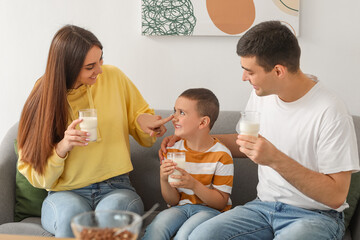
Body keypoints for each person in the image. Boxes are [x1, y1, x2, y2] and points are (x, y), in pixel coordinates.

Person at [161, 21, 360, 240]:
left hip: (316, 215)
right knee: (201, 236)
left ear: (278, 71)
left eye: (250, 72)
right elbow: (245, 142)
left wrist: (275, 159)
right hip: (262, 209)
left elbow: (336, 196)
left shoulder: (330, 111)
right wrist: (192, 139)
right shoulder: (260, 96)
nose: (244, 78)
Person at [17, 25, 173, 237]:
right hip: (65, 192)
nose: (99, 69)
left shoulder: (114, 77)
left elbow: (143, 129)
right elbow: (37, 177)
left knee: (108, 223)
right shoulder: (43, 97)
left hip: (116, 187)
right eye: (90, 66)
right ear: (68, 67)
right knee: (70, 221)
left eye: (100, 59)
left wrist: (144, 121)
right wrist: (63, 146)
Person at [142, 88, 234, 240]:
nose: (174, 117)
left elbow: (220, 203)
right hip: (180, 208)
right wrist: (164, 179)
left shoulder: (222, 155)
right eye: (174, 111)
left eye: (181, 113)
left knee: (185, 235)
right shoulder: (172, 150)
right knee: (156, 229)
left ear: (203, 122)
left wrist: (194, 185)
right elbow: (172, 201)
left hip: (209, 211)